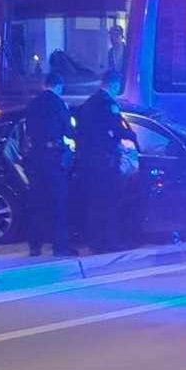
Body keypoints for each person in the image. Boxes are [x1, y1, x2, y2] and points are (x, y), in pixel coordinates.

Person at [76, 70, 138, 252]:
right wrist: (130, 136)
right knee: (110, 204)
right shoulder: (108, 104)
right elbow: (119, 130)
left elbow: (80, 132)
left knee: (94, 205)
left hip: (88, 163)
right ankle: (110, 242)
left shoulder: (88, 104)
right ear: (114, 84)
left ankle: (95, 243)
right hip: (106, 163)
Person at [24, 72, 76, 257]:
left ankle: (34, 246)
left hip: (36, 157)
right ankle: (60, 247)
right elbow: (68, 131)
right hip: (53, 157)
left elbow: (28, 129)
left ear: (44, 84)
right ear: (59, 86)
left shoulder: (32, 104)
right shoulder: (58, 104)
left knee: (37, 203)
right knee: (58, 203)